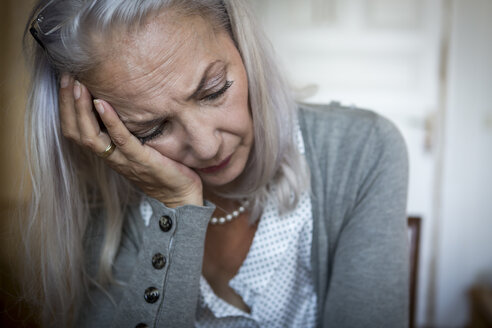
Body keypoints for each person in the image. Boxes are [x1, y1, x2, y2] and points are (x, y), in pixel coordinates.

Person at [21, 0, 410, 327]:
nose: (206, 146)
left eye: (214, 90)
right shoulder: (106, 195)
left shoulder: (363, 150)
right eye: (152, 128)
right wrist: (175, 208)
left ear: (242, 44)